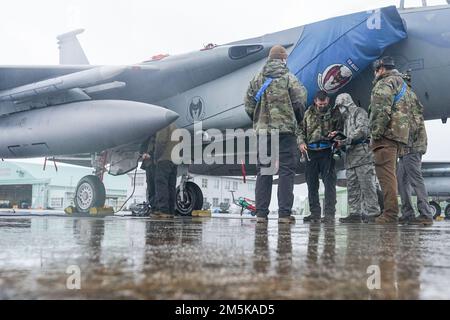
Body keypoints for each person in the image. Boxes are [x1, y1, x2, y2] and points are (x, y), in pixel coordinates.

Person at [244, 44, 307, 224]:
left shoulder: (256, 79)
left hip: (264, 133)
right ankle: (284, 215)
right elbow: (300, 100)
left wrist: (257, 119)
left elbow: (248, 103)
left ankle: (261, 214)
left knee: (264, 171)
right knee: (286, 171)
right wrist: (296, 118)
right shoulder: (289, 78)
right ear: (283, 59)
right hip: (285, 132)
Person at [368, 56, 411, 224]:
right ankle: (392, 211)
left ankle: (390, 214)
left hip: (386, 136)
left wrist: (376, 133)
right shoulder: (402, 83)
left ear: (381, 68)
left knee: (385, 176)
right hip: (398, 135)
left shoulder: (384, 83)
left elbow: (380, 110)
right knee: (391, 174)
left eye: (375, 70)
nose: (375, 74)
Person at [334, 93, 380, 223]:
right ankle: (355, 213)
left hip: (362, 157)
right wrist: (338, 138)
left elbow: (362, 132)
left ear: (345, 103)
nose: (339, 109)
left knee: (367, 186)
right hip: (350, 158)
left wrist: (344, 140)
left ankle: (373, 213)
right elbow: (348, 136)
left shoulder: (360, 112)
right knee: (352, 188)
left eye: (340, 106)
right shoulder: (346, 119)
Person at [299, 90, 343, 223]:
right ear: (315, 101)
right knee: (312, 185)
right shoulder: (308, 113)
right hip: (311, 153)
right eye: (320, 104)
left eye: (324, 104)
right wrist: (301, 142)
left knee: (329, 184)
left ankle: (329, 214)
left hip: (327, 152)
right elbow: (300, 130)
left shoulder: (335, 114)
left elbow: (341, 132)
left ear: (328, 101)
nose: (322, 106)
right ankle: (315, 214)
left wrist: (336, 135)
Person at [397, 76, 433, 225]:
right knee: (401, 180)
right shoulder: (407, 98)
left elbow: (411, 125)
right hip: (405, 148)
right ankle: (407, 213)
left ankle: (425, 214)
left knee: (415, 180)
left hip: (412, 147)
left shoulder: (408, 99)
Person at [151, 122, 179, 218]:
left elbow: (160, 142)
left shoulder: (163, 125)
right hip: (174, 160)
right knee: (171, 186)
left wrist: (156, 157)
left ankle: (163, 210)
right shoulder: (175, 127)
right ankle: (171, 211)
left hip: (164, 159)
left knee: (161, 184)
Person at [140, 135, 156, 208]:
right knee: (151, 187)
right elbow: (142, 148)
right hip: (149, 165)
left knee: (157, 187)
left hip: (156, 165)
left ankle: (156, 207)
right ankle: (153, 207)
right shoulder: (148, 137)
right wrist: (143, 154)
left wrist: (151, 156)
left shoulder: (159, 136)